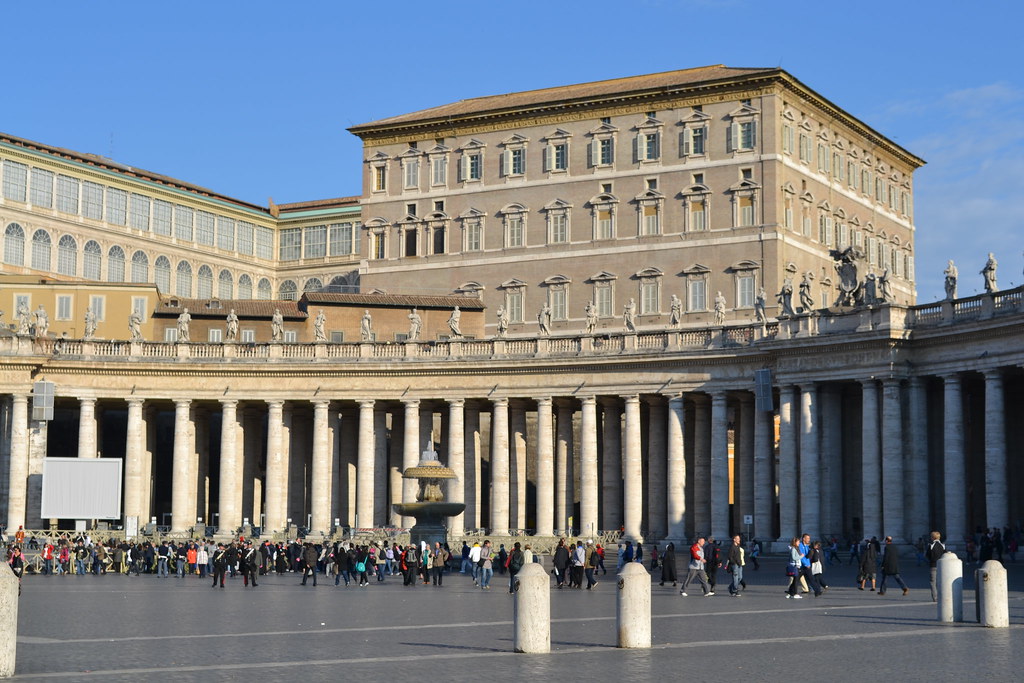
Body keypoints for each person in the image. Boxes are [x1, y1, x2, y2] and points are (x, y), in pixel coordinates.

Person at [926, 531, 945, 602]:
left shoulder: (931, 545)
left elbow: (928, 555)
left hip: (933, 565)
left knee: (933, 582)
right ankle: (942, 596)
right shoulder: (943, 545)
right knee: (941, 581)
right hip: (941, 565)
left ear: (932, 537)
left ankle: (935, 597)